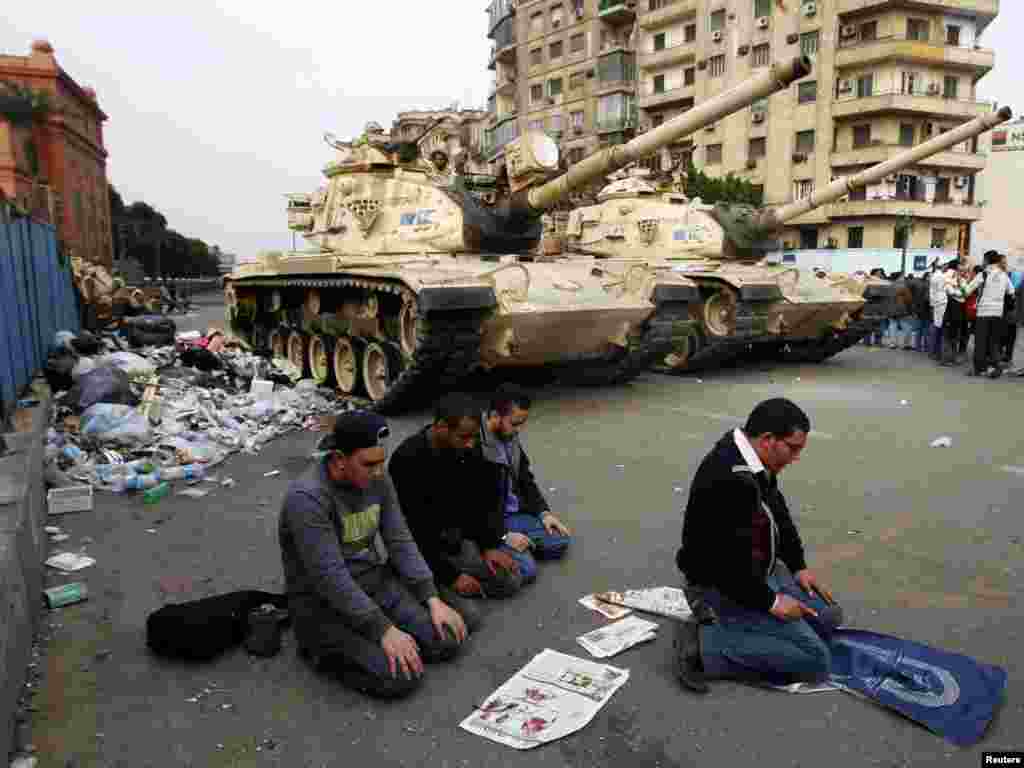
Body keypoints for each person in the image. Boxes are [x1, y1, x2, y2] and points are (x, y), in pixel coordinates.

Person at [279, 411, 472, 698]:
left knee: (446, 640)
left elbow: (400, 539)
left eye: (380, 462)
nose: (378, 472)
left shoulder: (377, 478)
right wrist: (382, 629)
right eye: (368, 464)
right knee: (403, 676)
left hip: (372, 583)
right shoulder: (307, 498)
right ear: (339, 459)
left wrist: (431, 598)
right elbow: (330, 577)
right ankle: (318, 648)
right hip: (320, 603)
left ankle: (379, 635)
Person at [673, 398, 843, 694]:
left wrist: (798, 566)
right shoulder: (731, 479)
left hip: (755, 571)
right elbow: (729, 569)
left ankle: (740, 628)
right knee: (815, 661)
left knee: (828, 616)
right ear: (767, 440)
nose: (796, 457)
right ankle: (703, 646)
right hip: (723, 585)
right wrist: (773, 602)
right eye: (793, 448)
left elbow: (778, 512)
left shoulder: (752, 458)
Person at [389, 393, 527, 600]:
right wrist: (452, 576)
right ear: (442, 427)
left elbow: (476, 504)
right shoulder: (407, 459)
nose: (471, 444)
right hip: (421, 547)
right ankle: (424, 585)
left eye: (473, 437)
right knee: (469, 616)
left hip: (455, 541)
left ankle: (441, 586)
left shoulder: (465, 450)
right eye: (464, 437)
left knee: (512, 578)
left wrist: (487, 546)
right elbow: (413, 529)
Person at [479, 385, 572, 581]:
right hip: (488, 522)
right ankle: (507, 548)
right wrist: (503, 536)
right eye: (515, 423)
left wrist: (543, 513)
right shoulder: (472, 443)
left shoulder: (509, 436)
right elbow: (471, 506)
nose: (519, 429)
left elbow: (524, 478)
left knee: (559, 540)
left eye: (522, 423)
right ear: (495, 416)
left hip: (513, 514)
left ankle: (520, 545)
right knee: (527, 571)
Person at [966, 251, 1015, 378]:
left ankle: (979, 369)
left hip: (984, 312)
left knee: (980, 342)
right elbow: (1011, 291)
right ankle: (996, 367)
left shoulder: (983, 274)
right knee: (994, 342)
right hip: (997, 313)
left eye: (983, 260)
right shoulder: (1004, 274)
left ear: (987, 260)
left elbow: (967, 290)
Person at [928, 260, 947, 360]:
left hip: (935, 304)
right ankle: (936, 352)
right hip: (940, 304)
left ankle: (933, 352)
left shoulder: (933, 276)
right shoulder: (941, 276)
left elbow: (932, 292)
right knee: (938, 329)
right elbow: (943, 290)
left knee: (935, 328)